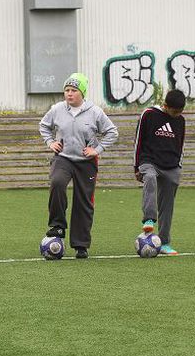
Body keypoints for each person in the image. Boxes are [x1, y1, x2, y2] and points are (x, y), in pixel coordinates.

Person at [39, 72, 119, 259]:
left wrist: (97, 150)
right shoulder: (57, 109)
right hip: (63, 158)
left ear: (82, 93)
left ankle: (81, 245)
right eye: (66, 90)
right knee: (57, 183)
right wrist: (50, 142)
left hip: (86, 163)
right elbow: (43, 125)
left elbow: (112, 132)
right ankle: (57, 226)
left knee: (83, 201)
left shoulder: (95, 112)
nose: (69, 94)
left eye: (74, 90)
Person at [133, 89, 186, 255]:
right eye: (175, 111)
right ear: (165, 106)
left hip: (171, 166)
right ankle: (149, 218)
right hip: (149, 161)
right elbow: (138, 140)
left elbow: (181, 144)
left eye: (181, 111)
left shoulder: (181, 120)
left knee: (167, 205)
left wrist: (178, 166)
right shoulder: (149, 114)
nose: (177, 114)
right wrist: (136, 166)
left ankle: (164, 242)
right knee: (149, 177)